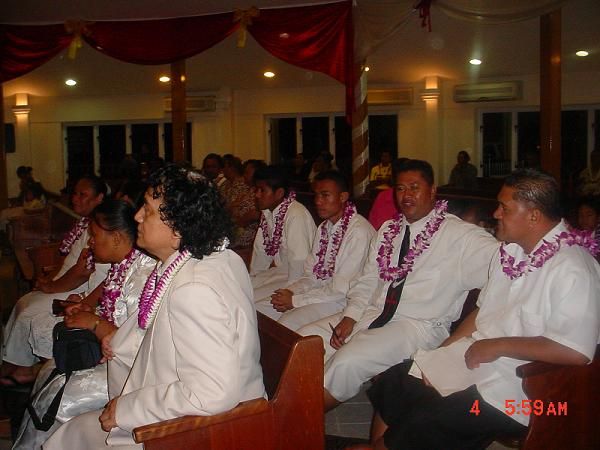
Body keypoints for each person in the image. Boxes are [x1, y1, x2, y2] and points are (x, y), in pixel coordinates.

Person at [366, 169, 600, 450]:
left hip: (522, 392)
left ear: (534, 216)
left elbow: (576, 351)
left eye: (504, 208)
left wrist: (497, 346)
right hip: (474, 364)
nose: (496, 213)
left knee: (429, 418)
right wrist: (441, 355)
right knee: (397, 381)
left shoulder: (574, 268)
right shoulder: (510, 252)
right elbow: (483, 312)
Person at [43, 164, 265, 449]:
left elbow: (212, 392)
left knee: (69, 436)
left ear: (177, 228)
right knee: (73, 432)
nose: (136, 216)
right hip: (198, 410)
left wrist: (126, 409)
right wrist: (118, 341)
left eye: (147, 210)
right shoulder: (209, 259)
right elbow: (167, 332)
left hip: (207, 430)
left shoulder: (193, 289)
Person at [298, 159, 499, 411]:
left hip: (417, 326)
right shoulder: (388, 231)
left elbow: (506, 266)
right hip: (372, 313)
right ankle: (292, 402)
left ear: (432, 190)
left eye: (414, 187)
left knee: (348, 361)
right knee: (306, 337)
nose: (406, 195)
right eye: (401, 189)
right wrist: (350, 315)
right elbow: (367, 280)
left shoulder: (460, 237)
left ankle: (302, 420)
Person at [13, 200, 156, 450]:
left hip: (131, 373)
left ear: (116, 238)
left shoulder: (144, 274)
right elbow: (115, 309)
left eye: (95, 236)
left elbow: (140, 345)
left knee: (61, 396)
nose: (90, 242)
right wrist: (90, 311)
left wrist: (94, 323)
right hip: (113, 357)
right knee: (50, 371)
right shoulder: (126, 265)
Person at [1, 175, 110, 387]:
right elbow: (69, 260)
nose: (75, 199)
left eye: (83, 195)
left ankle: (18, 366)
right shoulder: (86, 224)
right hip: (76, 288)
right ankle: (17, 363)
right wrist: (50, 279)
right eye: (75, 193)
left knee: (30, 311)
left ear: (99, 198)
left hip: (81, 289)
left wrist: (52, 287)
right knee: (25, 302)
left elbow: (83, 272)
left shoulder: (102, 230)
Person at [256, 171, 375, 330]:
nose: (318, 201)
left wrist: (295, 301)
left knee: (287, 323)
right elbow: (311, 275)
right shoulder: (324, 227)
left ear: (342, 197)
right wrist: (290, 291)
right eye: (317, 195)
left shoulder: (358, 232)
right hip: (320, 293)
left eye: (325, 195)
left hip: (344, 301)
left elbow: (340, 290)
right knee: (258, 309)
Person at [250, 165, 316, 301]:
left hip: (301, 279)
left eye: (262, 190)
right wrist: (254, 278)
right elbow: (260, 252)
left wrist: (290, 293)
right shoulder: (267, 212)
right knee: (243, 289)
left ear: (279, 193)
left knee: (252, 300)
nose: (257, 195)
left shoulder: (296, 214)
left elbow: (299, 263)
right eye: (256, 189)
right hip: (281, 272)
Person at [221, 154, 260, 248]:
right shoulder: (250, 189)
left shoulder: (257, 192)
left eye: (247, 173)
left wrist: (238, 221)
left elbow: (254, 215)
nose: (244, 176)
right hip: (235, 230)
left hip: (248, 236)